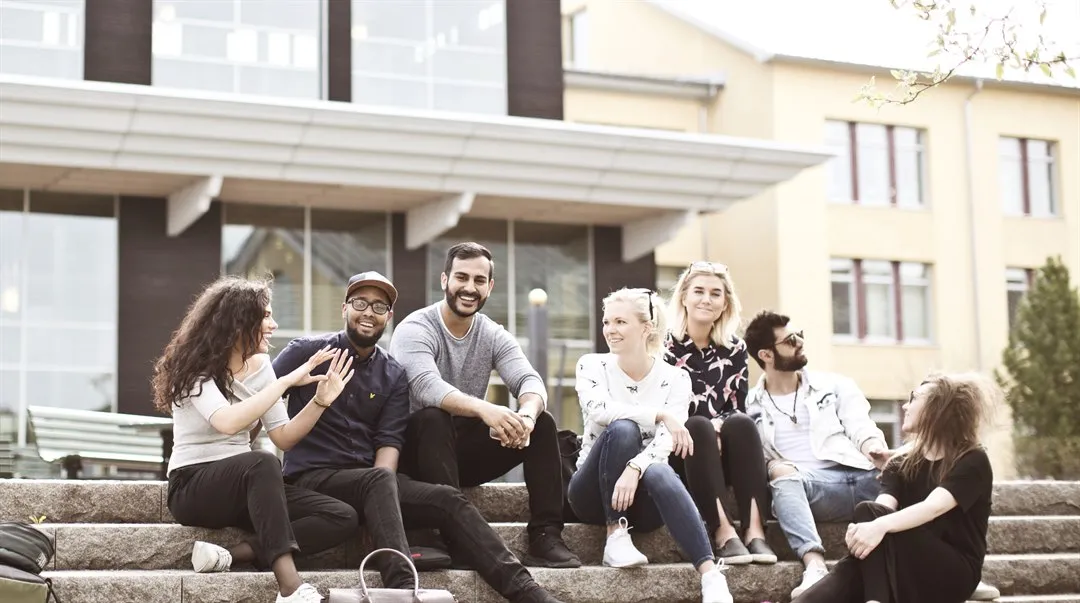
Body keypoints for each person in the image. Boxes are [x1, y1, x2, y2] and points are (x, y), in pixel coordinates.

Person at [272, 271, 565, 603]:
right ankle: (401, 587)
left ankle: (530, 593)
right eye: (360, 303)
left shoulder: (393, 374)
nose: (368, 312)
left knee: (447, 498)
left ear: (388, 316)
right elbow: (261, 397)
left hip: (370, 484)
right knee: (380, 479)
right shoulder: (306, 352)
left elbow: (388, 446)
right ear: (345, 308)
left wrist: (381, 504)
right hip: (312, 480)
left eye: (379, 306)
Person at [151, 276, 358, 603]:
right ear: (237, 322)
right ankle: (289, 588)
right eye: (265, 317)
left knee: (342, 515)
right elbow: (227, 422)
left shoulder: (261, 368)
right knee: (262, 461)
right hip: (193, 486)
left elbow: (284, 436)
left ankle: (231, 555)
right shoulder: (194, 368)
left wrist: (321, 401)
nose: (274, 325)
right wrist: (288, 380)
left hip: (247, 486)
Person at [390, 242, 579, 568]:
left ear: (489, 287)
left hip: (459, 456)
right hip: (414, 455)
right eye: (461, 277)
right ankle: (456, 535)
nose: (469, 287)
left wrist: (527, 417)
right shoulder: (415, 328)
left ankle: (546, 535)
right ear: (444, 280)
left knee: (544, 422)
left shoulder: (492, 334)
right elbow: (425, 386)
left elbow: (530, 382)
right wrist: (486, 410)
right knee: (433, 417)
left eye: (479, 280)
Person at [569, 287, 733, 603]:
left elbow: (666, 440)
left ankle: (711, 576)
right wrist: (659, 414)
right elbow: (600, 410)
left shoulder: (676, 379)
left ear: (646, 327)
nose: (610, 330)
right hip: (592, 492)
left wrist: (635, 466)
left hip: (643, 501)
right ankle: (614, 535)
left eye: (620, 322)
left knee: (659, 471)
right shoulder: (591, 365)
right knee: (623, 429)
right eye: (607, 322)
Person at [798, 373, 996, 603]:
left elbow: (932, 507)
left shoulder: (971, 460)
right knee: (865, 521)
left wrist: (877, 525)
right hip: (905, 565)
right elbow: (881, 507)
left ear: (937, 407)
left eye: (914, 398)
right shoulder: (902, 462)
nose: (905, 406)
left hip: (952, 572)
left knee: (872, 524)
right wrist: (863, 531)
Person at [742, 310, 889, 598]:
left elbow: (860, 424)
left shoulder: (835, 385)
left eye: (800, 336)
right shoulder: (751, 405)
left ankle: (953, 567)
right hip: (812, 489)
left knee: (918, 466)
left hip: (864, 475)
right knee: (781, 473)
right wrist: (771, 466)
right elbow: (758, 457)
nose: (800, 343)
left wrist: (874, 448)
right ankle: (815, 566)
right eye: (790, 340)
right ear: (766, 355)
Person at [663, 261, 776, 566]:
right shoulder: (663, 347)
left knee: (741, 422)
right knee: (697, 425)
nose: (706, 299)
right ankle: (723, 532)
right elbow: (661, 407)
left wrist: (719, 427)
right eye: (698, 291)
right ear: (684, 297)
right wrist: (708, 427)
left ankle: (754, 532)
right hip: (678, 451)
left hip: (722, 451)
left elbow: (736, 406)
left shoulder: (734, 349)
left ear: (725, 303)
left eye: (715, 294)